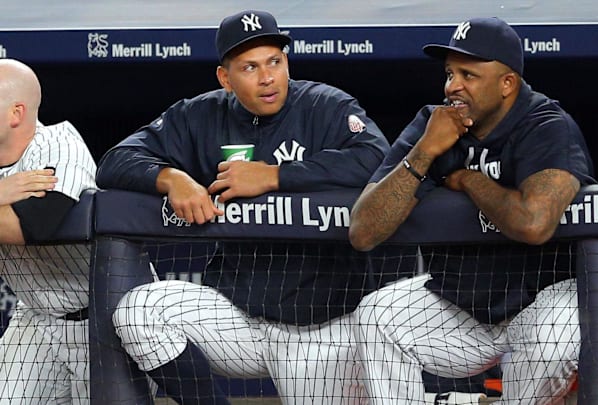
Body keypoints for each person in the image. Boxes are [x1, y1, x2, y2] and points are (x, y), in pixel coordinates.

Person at [95, 9, 390, 405]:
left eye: (275, 62)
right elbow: (115, 161)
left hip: (320, 328)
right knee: (138, 311)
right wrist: (170, 178)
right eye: (249, 67)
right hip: (236, 319)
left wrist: (274, 176)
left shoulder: (325, 106)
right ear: (225, 78)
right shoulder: (200, 115)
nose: (267, 78)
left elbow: (377, 158)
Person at [348, 17, 598, 404]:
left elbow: (534, 223)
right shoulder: (433, 124)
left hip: (560, 298)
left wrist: (469, 180)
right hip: (470, 304)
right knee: (378, 315)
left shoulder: (545, 124)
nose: (452, 86)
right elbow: (363, 231)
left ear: (507, 84)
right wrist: (424, 152)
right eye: (450, 73)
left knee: (549, 340)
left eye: (468, 75)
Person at [0, 59, 97, 404]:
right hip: (37, 315)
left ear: (16, 113)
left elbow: (36, 223)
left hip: (102, 315)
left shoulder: (58, 143)